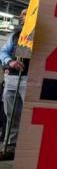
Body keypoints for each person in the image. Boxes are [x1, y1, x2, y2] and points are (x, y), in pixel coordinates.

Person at [0, 9, 29, 160]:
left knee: (30, 115)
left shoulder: (37, 34)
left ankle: (29, 148)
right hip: (12, 78)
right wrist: (9, 61)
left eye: (24, 15)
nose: (21, 18)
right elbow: (3, 52)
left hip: (29, 78)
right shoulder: (15, 36)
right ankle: (10, 146)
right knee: (11, 115)